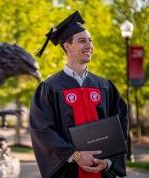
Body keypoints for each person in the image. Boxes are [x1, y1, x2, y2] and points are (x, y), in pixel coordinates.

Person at [30, 11, 128, 178]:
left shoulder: (105, 86)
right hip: (69, 172)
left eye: (90, 41)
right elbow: (42, 130)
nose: (89, 45)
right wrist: (75, 155)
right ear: (67, 46)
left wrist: (109, 162)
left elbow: (121, 125)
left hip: (102, 170)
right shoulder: (50, 87)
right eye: (82, 41)